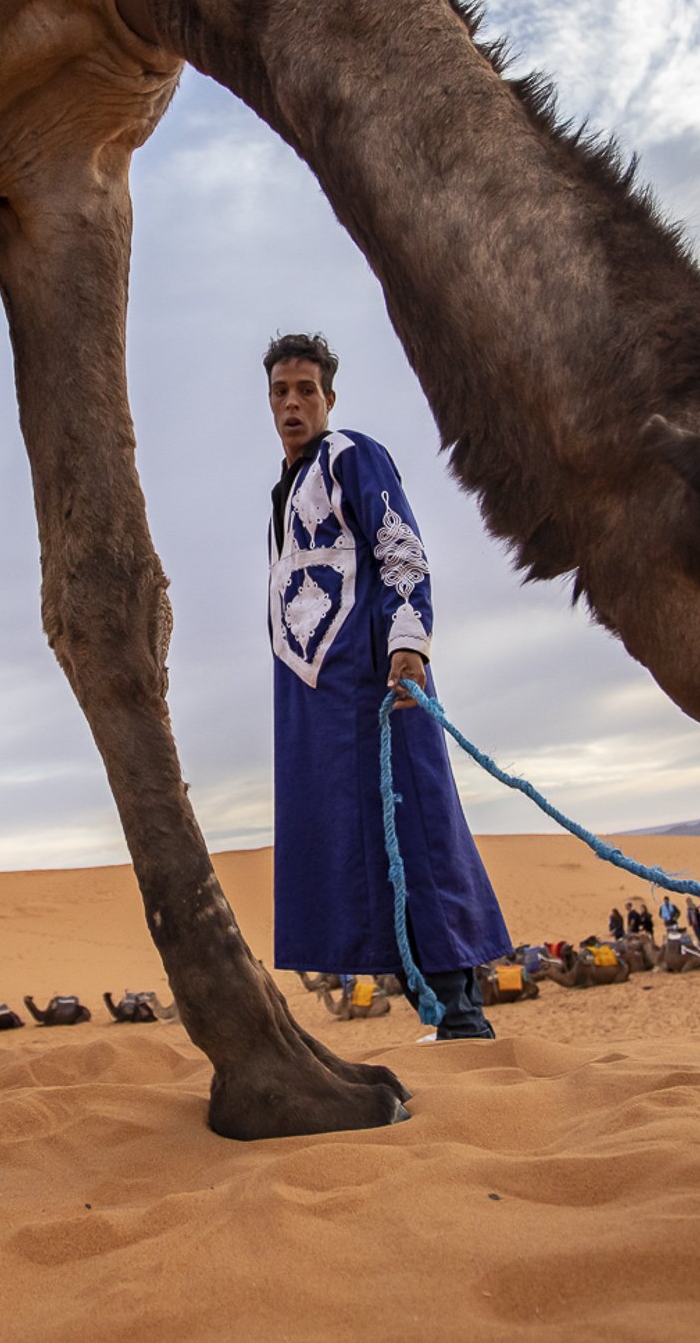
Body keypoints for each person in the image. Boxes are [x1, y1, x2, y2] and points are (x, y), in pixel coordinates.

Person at [265, 332, 509, 1042]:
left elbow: (400, 545)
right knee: (351, 850)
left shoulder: (350, 455)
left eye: (306, 389)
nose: (292, 402)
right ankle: (431, 1011)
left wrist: (409, 642)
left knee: (413, 830)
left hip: (377, 688)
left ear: (328, 399)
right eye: (281, 390)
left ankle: (462, 1015)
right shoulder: (282, 492)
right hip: (315, 704)